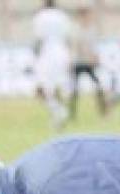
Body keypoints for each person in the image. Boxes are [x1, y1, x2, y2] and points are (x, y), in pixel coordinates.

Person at [32, 0, 73, 129]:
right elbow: (68, 38)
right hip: (62, 53)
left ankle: (59, 111)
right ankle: (59, 113)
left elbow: (38, 39)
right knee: (57, 88)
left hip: (47, 54)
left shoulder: (40, 17)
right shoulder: (62, 16)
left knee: (41, 89)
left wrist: (35, 56)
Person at [69, 6, 107, 119]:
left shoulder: (92, 29)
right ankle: (72, 114)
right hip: (79, 63)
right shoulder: (76, 29)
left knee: (98, 86)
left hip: (89, 63)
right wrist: (89, 55)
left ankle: (103, 112)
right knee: (75, 89)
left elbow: (93, 45)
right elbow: (78, 46)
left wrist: (95, 57)